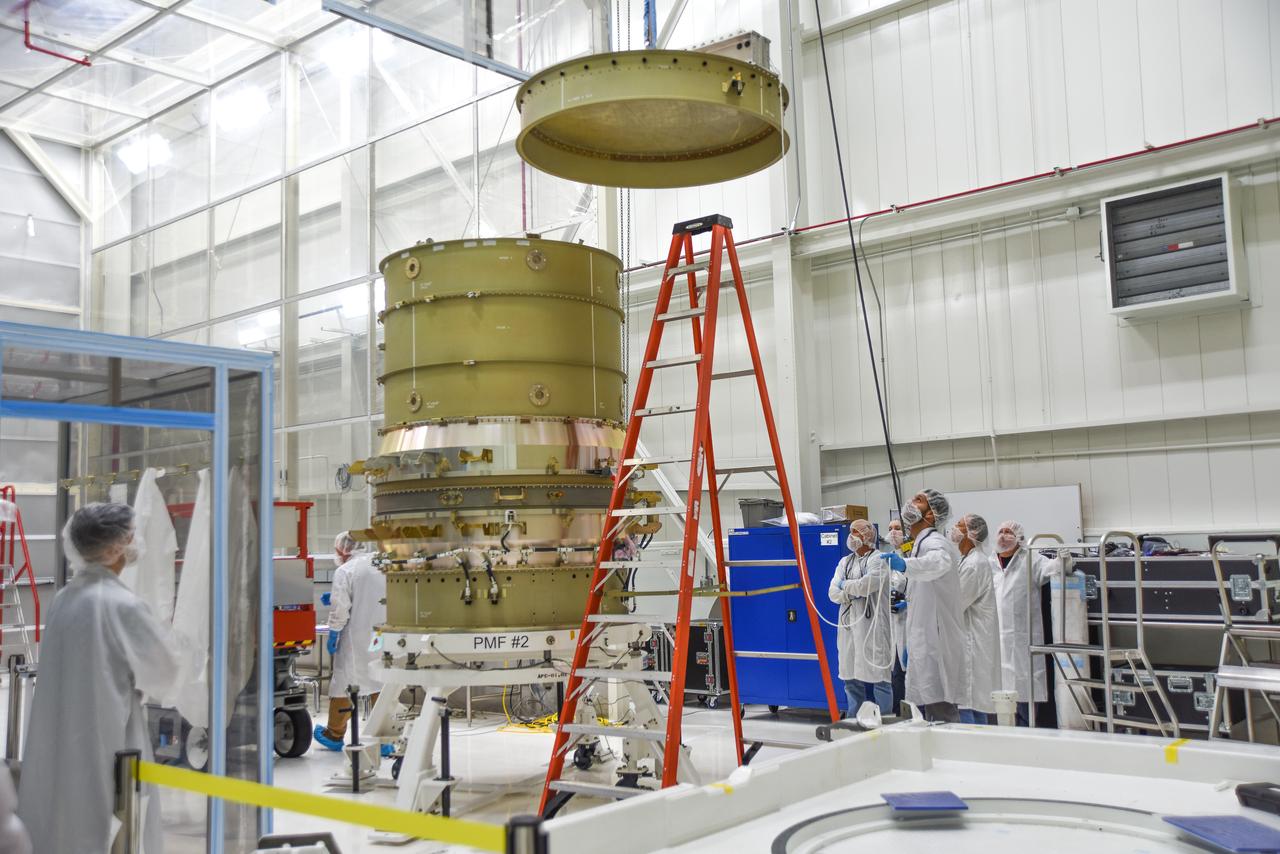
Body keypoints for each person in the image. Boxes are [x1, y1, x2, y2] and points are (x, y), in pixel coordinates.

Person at [19, 503, 179, 854]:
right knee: (110, 829)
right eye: (130, 535)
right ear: (114, 547)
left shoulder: (64, 599)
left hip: (60, 741)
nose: (135, 542)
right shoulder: (123, 605)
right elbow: (165, 672)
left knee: (63, 822)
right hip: (109, 742)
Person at [881, 489, 965, 723]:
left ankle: (950, 746)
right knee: (931, 706)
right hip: (924, 637)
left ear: (931, 514)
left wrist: (904, 565)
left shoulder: (935, 542)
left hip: (936, 640)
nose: (910, 502)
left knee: (941, 708)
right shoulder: (920, 543)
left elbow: (938, 562)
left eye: (918, 500)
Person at [315, 531, 389, 751]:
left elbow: (340, 610)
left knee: (344, 683)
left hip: (355, 637)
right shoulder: (382, 564)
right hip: (381, 636)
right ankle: (385, 738)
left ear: (343, 550)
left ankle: (334, 733)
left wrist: (334, 632)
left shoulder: (345, 570)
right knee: (381, 683)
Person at [991, 519, 1062, 726]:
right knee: (1000, 697)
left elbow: (1053, 569)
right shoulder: (990, 563)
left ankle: (1027, 730)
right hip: (996, 638)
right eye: (1001, 532)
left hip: (1023, 638)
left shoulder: (1031, 559)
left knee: (1025, 692)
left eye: (1008, 532)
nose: (1003, 536)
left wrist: (1063, 560)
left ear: (1020, 538)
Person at [827, 519, 894, 716]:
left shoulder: (879, 559)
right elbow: (832, 593)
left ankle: (885, 719)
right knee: (850, 678)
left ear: (867, 535)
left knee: (880, 678)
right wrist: (851, 592)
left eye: (855, 532)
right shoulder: (845, 562)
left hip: (872, 627)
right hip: (849, 626)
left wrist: (844, 586)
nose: (851, 536)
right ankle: (853, 719)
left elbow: (866, 586)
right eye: (850, 532)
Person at [951, 513, 1001, 724]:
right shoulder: (967, 559)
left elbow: (956, 603)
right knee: (974, 701)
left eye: (959, 526)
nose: (953, 529)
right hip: (969, 638)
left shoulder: (974, 564)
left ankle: (972, 740)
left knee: (968, 699)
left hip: (972, 640)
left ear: (972, 533)